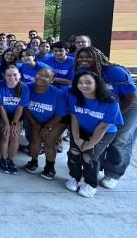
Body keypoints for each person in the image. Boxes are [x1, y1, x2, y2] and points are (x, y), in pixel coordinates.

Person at [74, 46, 137, 189]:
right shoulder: (83, 72)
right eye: (81, 57)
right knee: (100, 138)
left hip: (128, 105)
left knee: (120, 140)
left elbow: (131, 96)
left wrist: (112, 117)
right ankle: (96, 168)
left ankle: (113, 174)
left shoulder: (114, 71)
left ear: (98, 56)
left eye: (88, 56)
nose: (84, 60)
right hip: (105, 108)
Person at [66, 71, 123, 197]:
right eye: (80, 82)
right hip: (81, 129)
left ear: (97, 84)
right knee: (74, 151)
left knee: (88, 156)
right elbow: (74, 118)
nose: (83, 85)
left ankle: (91, 184)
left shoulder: (110, 102)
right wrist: (77, 138)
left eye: (88, 82)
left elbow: (103, 127)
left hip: (104, 132)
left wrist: (90, 144)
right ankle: (74, 177)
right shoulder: (74, 96)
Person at [23, 68, 68, 180]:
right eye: (39, 74)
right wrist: (34, 123)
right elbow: (24, 107)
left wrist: (48, 127)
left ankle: (50, 167)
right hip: (35, 118)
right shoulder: (27, 87)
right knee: (35, 138)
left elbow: (60, 114)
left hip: (56, 120)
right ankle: (33, 162)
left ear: (52, 80)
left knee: (49, 141)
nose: (41, 77)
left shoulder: (58, 93)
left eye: (46, 76)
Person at [0, 65, 30, 174]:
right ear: (5, 76)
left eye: (15, 75)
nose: (12, 77)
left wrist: (14, 123)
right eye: (9, 75)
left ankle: (10, 160)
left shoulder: (24, 88)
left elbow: (20, 107)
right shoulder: (0, 85)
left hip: (16, 115)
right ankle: (3, 159)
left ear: (20, 75)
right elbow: (0, 106)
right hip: (4, 114)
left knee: (15, 135)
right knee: (5, 135)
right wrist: (7, 123)